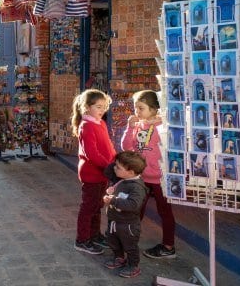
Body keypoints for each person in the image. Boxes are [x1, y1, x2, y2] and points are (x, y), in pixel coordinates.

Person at [122, 90, 177, 259]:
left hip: (160, 178)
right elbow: (126, 147)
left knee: (165, 212)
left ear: (154, 109)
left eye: (141, 108)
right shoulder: (138, 125)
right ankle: (129, 240)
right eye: (135, 108)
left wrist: (163, 122)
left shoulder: (163, 126)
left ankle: (168, 246)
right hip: (141, 177)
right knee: (135, 209)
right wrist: (129, 128)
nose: (137, 112)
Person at [71, 89, 116, 255]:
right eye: (98, 106)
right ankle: (82, 239)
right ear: (87, 107)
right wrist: (109, 167)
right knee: (88, 208)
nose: (102, 109)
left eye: (104, 106)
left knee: (97, 206)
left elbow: (108, 146)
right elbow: (92, 154)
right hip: (92, 173)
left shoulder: (100, 123)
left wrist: (116, 160)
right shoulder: (86, 126)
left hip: (103, 173)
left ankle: (95, 235)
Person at [102, 151, 148, 279]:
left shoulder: (137, 187)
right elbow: (108, 171)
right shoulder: (122, 179)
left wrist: (113, 200)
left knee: (130, 246)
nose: (114, 168)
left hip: (128, 225)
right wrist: (118, 161)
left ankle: (133, 266)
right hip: (115, 221)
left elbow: (133, 205)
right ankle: (119, 257)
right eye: (115, 165)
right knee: (113, 241)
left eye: (118, 167)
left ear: (131, 172)